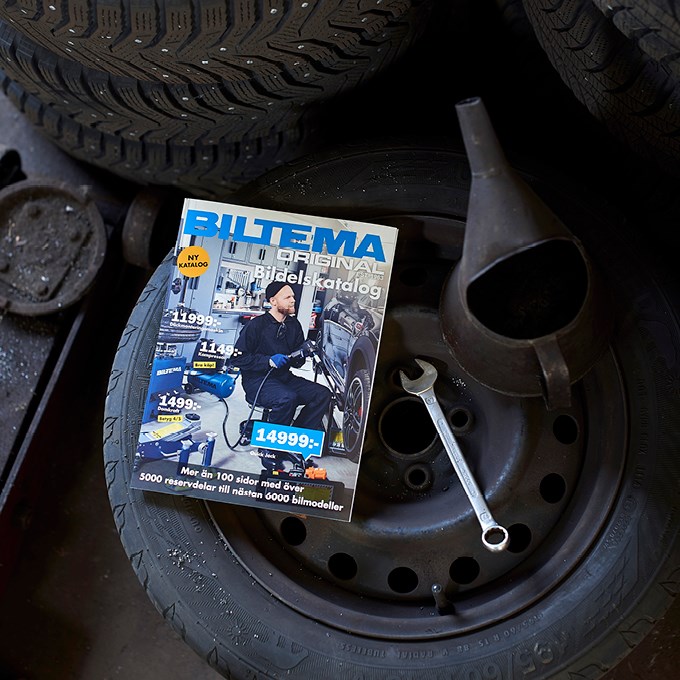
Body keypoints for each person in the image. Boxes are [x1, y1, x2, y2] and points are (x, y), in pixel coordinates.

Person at [231, 281, 332, 470]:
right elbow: (237, 359)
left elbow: (297, 362)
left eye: (293, 296)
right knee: (287, 398)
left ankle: (293, 439)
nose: (293, 300)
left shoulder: (294, 325)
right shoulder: (256, 325)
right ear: (273, 301)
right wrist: (268, 361)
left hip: (284, 378)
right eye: (288, 297)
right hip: (257, 381)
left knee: (322, 394)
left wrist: (302, 354)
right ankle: (269, 450)